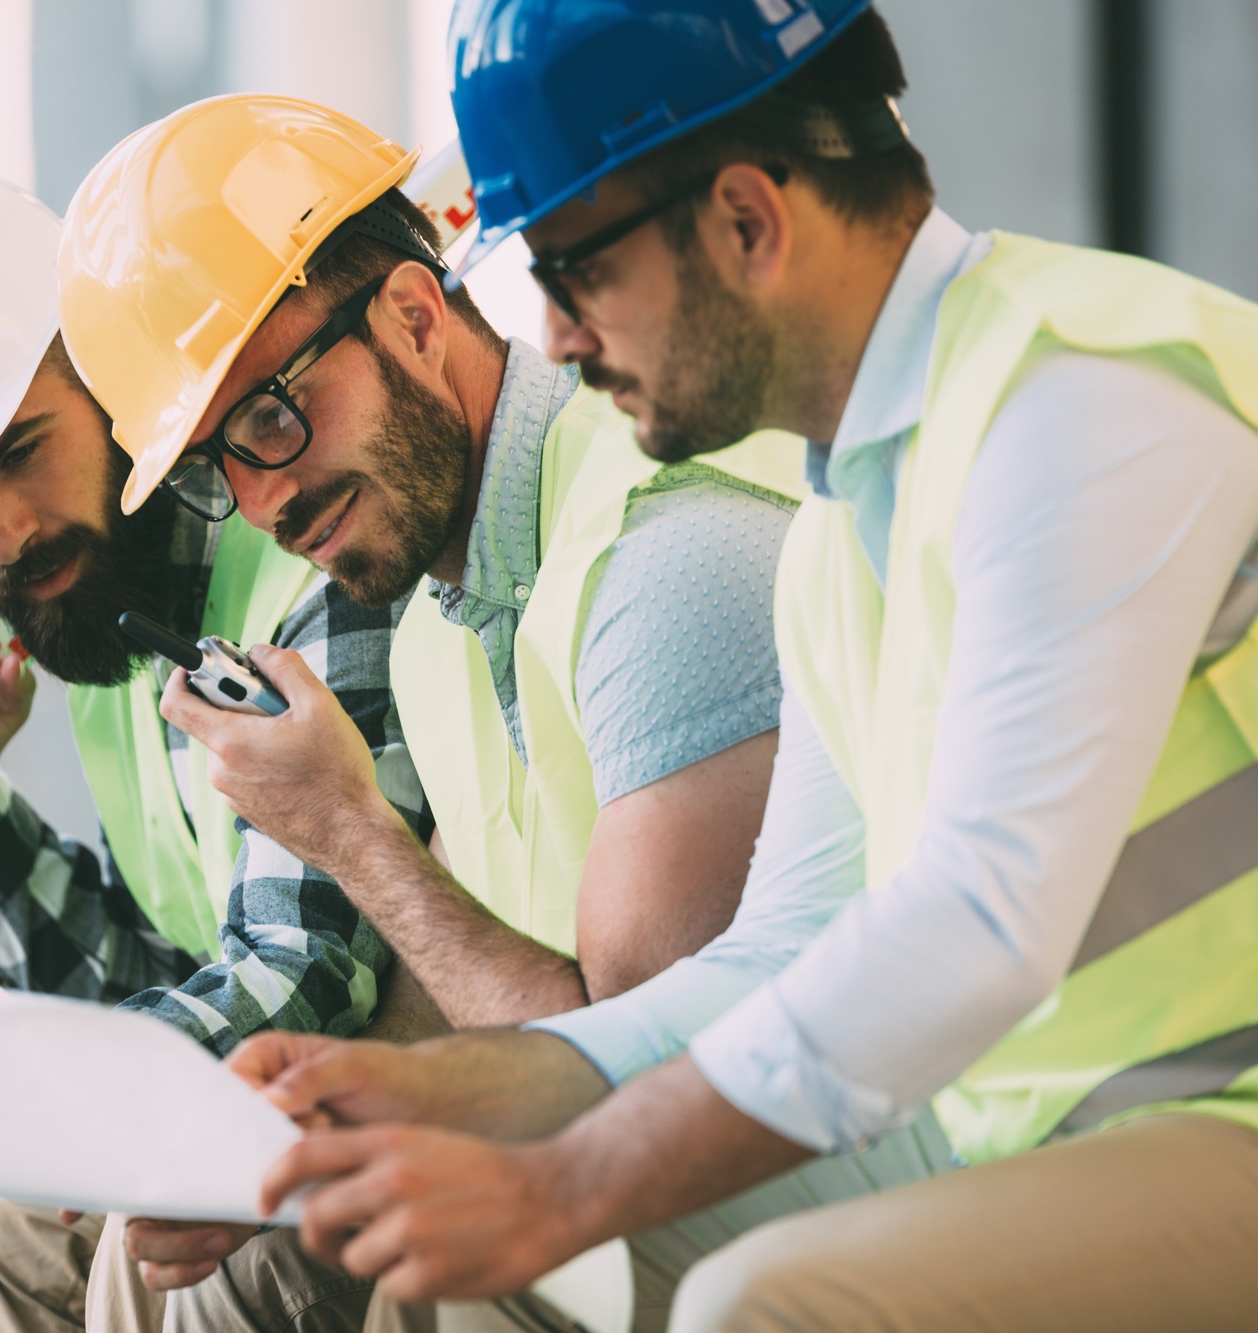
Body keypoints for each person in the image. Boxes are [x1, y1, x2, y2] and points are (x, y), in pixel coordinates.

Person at [234, 4, 1258, 1330]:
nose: (554, 340)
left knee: (757, 1302)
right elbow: (770, 955)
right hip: (1042, 1121)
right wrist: (447, 1093)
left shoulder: (1079, 398)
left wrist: (571, 1185)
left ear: (745, 222)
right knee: (472, 1259)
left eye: (575, 274)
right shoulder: (853, 510)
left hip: (1221, 1107)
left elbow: (980, 926)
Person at [54, 93, 811, 1329]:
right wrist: (280, 1133)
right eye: (217, 465)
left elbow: (641, 1075)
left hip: (804, 1150)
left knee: (442, 1264)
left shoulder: (658, 560)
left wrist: (349, 831)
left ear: (413, 313)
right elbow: (446, 990)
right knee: (206, 1259)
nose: (264, 500)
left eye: (268, 416)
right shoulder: (429, 626)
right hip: (679, 1132)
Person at [0, 156, 427, 1332]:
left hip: (443, 1081)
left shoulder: (310, 541)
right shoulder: (100, 607)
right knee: (7, 1203)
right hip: (316, 1085)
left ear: (109, 370)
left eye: (20, 450)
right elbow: (164, 984)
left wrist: (5, 1095)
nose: (4, 535)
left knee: (150, 1229)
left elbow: (299, 983)